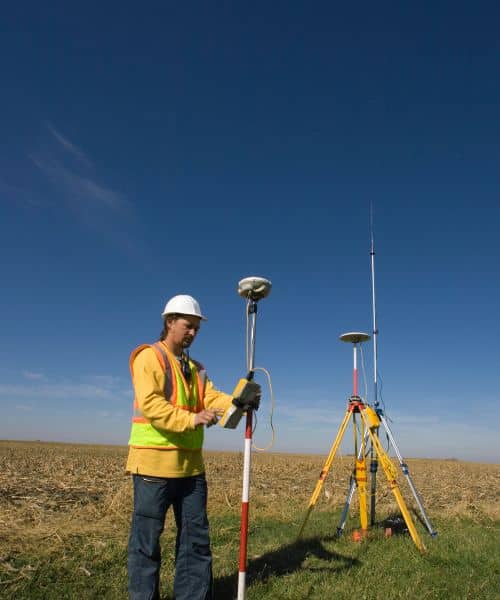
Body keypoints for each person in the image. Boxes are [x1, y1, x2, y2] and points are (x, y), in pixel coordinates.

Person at [126, 294, 260, 600]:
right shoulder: (151, 357)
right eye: (188, 326)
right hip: (152, 469)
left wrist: (239, 400)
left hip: (191, 471)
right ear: (170, 322)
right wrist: (192, 418)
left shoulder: (196, 368)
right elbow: (151, 405)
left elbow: (211, 397)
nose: (193, 333)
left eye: (197, 329)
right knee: (146, 545)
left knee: (195, 543)